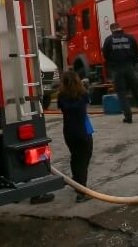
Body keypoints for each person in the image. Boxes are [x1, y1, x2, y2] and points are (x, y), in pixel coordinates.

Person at [57, 70, 94, 203]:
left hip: (69, 133)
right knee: (84, 159)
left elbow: (62, 106)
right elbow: (88, 100)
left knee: (75, 156)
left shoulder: (61, 96)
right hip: (83, 132)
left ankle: (76, 182)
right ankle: (82, 192)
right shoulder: (83, 94)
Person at [102, 23, 138, 123]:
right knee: (136, 91)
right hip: (130, 68)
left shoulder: (108, 40)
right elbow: (137, 51)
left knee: (121, 93)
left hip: (117, 70)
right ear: (120, 28)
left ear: (112, 30)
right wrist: (131, 61)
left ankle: (128, 117)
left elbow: (105, 54)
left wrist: (112, 62)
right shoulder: (130, 37)